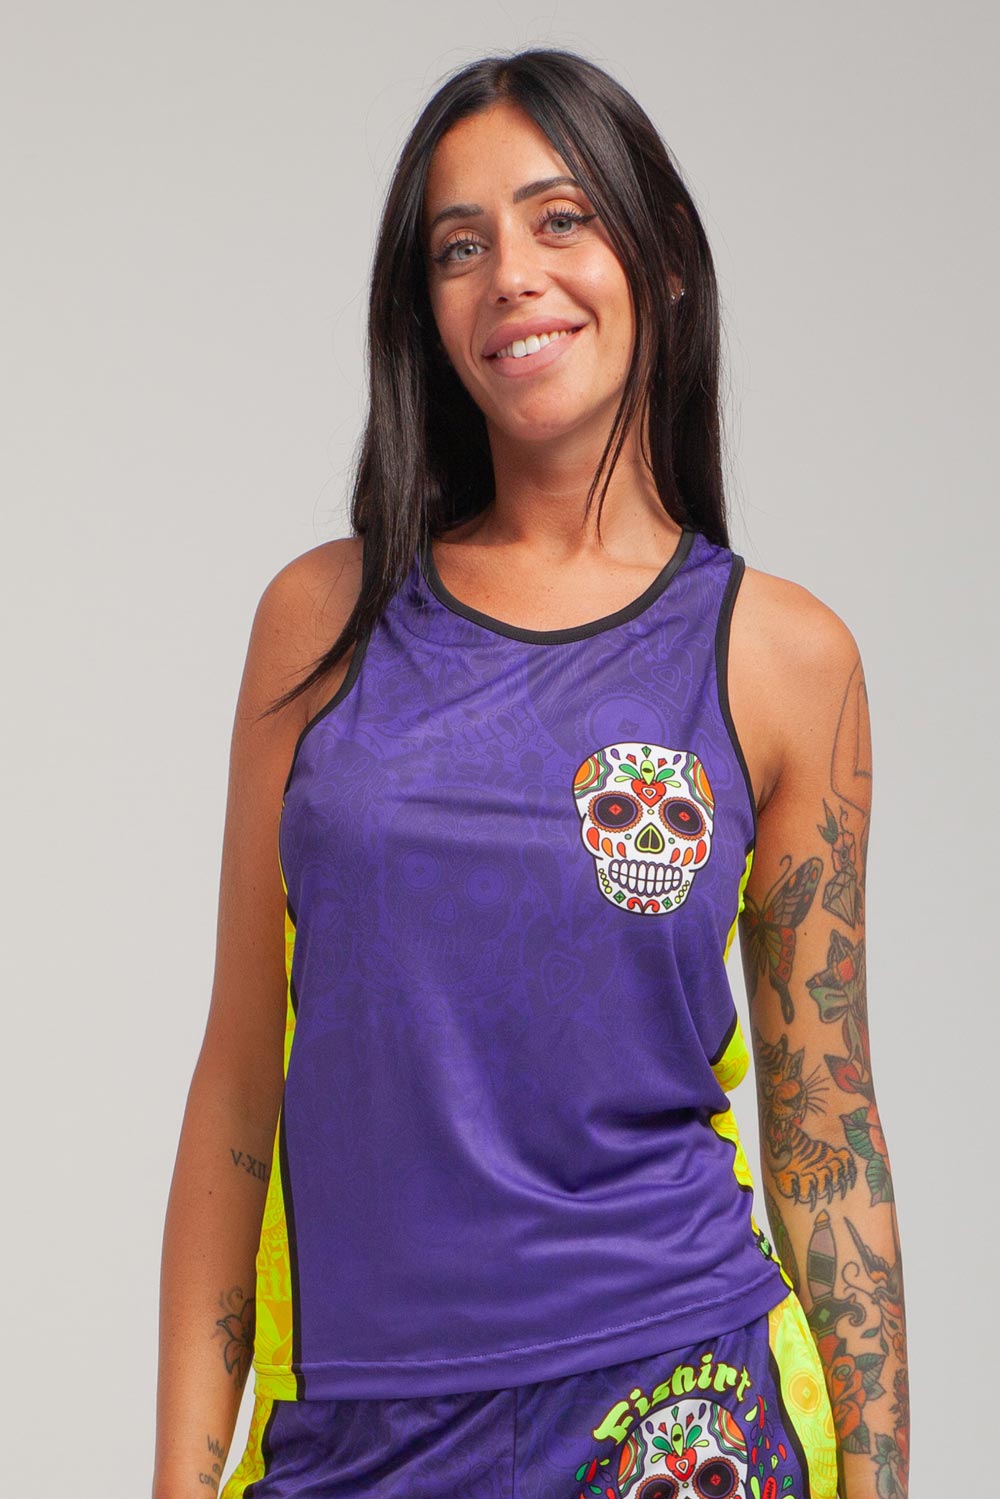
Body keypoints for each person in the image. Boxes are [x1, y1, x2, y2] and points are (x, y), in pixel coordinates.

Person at [152, 47, 909, 1499]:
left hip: (680, 1413)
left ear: (660, 260)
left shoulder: (782, 660)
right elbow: (240, 1089)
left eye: (561, 219)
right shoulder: (321, 625)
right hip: (363, 1432)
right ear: (426, 310)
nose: (511, 274)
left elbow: (828, 1132)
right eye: (460, 245)